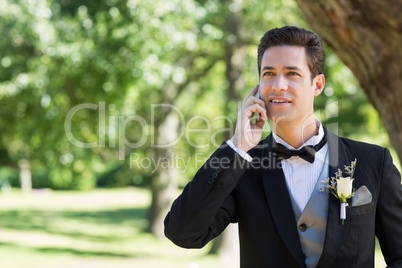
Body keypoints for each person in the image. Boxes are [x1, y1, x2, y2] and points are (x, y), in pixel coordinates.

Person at [164, 26, 402, 267]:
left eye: (292, 74)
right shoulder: (241, 167)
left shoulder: (373, 161)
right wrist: (238, 146)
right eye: (268, 73)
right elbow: (182, 233)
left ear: (317, 85)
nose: (278, 85)